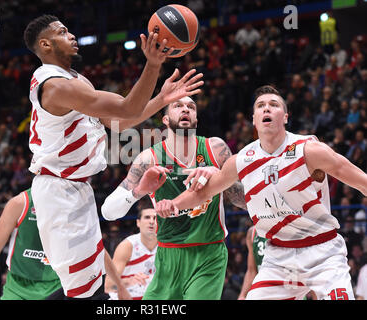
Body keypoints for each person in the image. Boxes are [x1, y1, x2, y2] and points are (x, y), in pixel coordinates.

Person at [23, 14, 203, 298]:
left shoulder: (75, 80)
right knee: (83, 292)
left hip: (76, 188)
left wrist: (161, 100)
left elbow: (118, 122)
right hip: (58, 192)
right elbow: (127, 110)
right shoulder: (56, 86)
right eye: (62, 32)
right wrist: (153, 65)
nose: (71, 36)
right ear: (45, 44)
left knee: (91, 285)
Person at [156, 85, 367, 300]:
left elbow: (361, 181)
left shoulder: (309, 150)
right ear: (254, 119)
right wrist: (173, 205)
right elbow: (203, 193)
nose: (266, 109)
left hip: (322, 252)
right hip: (278, 257)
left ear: (285, 117)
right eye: (261, 106)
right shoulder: (242, 159)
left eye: (273, 105)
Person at [101, 96, 246, 299]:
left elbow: (241, 199)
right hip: (167, 255)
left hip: (208, 253)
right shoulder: (148, 159)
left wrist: (220, 176)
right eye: (178, 106)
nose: (185, 109)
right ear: (166, 119)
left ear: (196, 119)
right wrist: (139, 191)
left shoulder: (215, 149)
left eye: (191, 107)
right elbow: (107, 212)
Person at [0, 189, 130, 300]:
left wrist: (120, 286)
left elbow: (96, 247)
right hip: (18, 287)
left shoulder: (73, 206)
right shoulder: (20, 203)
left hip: (57, 286)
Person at [105, 207, 157, 300]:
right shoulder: (127, 246)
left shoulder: (165, 246)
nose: (151, 221)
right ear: (138, 222)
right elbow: (108, 286)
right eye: (147, 217)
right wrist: (130, 281)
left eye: (155, 218)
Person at [238, 226, 266, 300]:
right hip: (263, 287)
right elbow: (252, 271)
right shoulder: (252, 232)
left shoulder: (289, 227)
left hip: (287, 284)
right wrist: (243, 295)